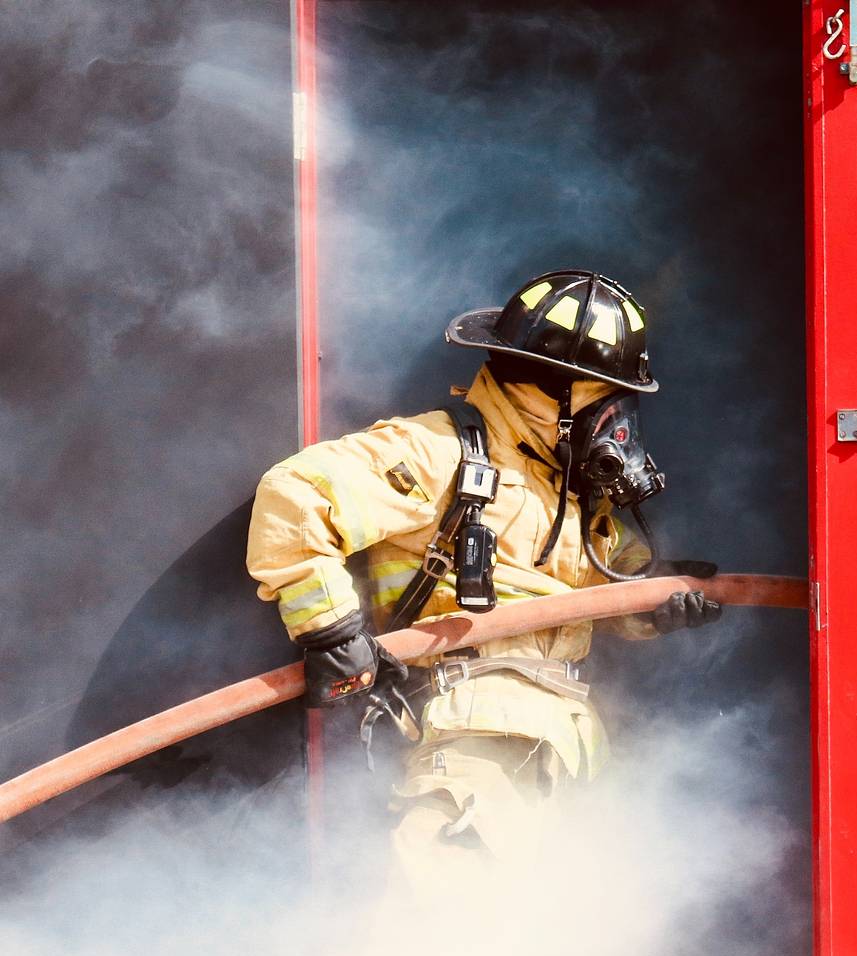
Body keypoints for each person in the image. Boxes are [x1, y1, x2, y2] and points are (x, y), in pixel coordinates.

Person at [246, 269, 721, 882]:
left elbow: (590, 596)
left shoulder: (572, 497)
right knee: (452, 923)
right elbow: (295, 494)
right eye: (605, 397)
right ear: (558, 393)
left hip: (568, 752)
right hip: (471, 743)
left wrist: (655, 599)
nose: (616, 420)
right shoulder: (441, 452)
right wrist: (332, 633)